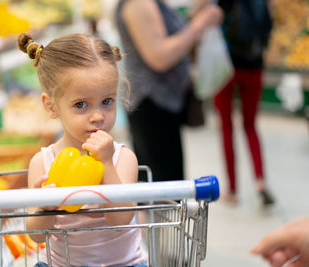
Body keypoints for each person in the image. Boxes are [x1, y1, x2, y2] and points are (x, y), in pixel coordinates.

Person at [17, 33, 147, 267]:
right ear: (51, 105)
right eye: (81, 105)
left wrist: (106, 163)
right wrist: (43, 208)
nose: (98, 116)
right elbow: (36, 236)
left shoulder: (122, 158)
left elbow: (121, 219)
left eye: (107, 101)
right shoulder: (43, 162)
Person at [115, 0, 223, 181]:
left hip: (162, 103)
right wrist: (199, 24)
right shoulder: (138, 4)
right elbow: (159, 56)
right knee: (163, 188)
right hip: (151, 103)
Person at [215, 0, 275, 206]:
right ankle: (260, 181)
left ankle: (232, 191)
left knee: (226, 127)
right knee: (250, 125)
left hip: (225, 67)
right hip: (254, 66)